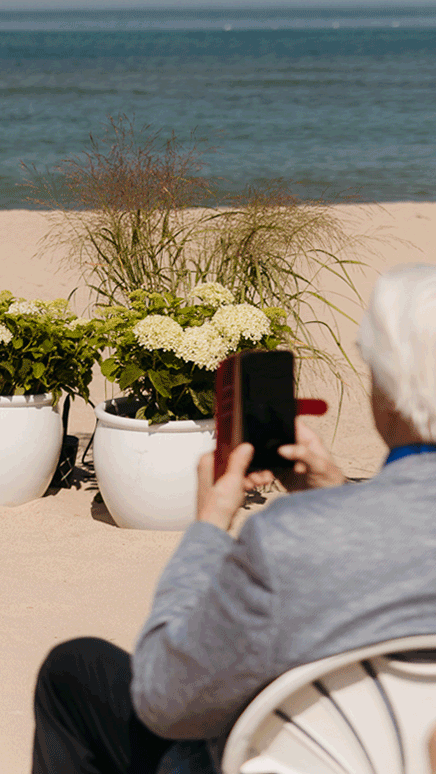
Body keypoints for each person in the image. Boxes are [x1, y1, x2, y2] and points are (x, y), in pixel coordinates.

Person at [31, 264, 436, 774]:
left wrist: (208, 527)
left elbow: (166, 703)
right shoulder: (311, 528)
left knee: (73, 672)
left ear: (388, 394)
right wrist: (335, 496)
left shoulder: (291, 538)